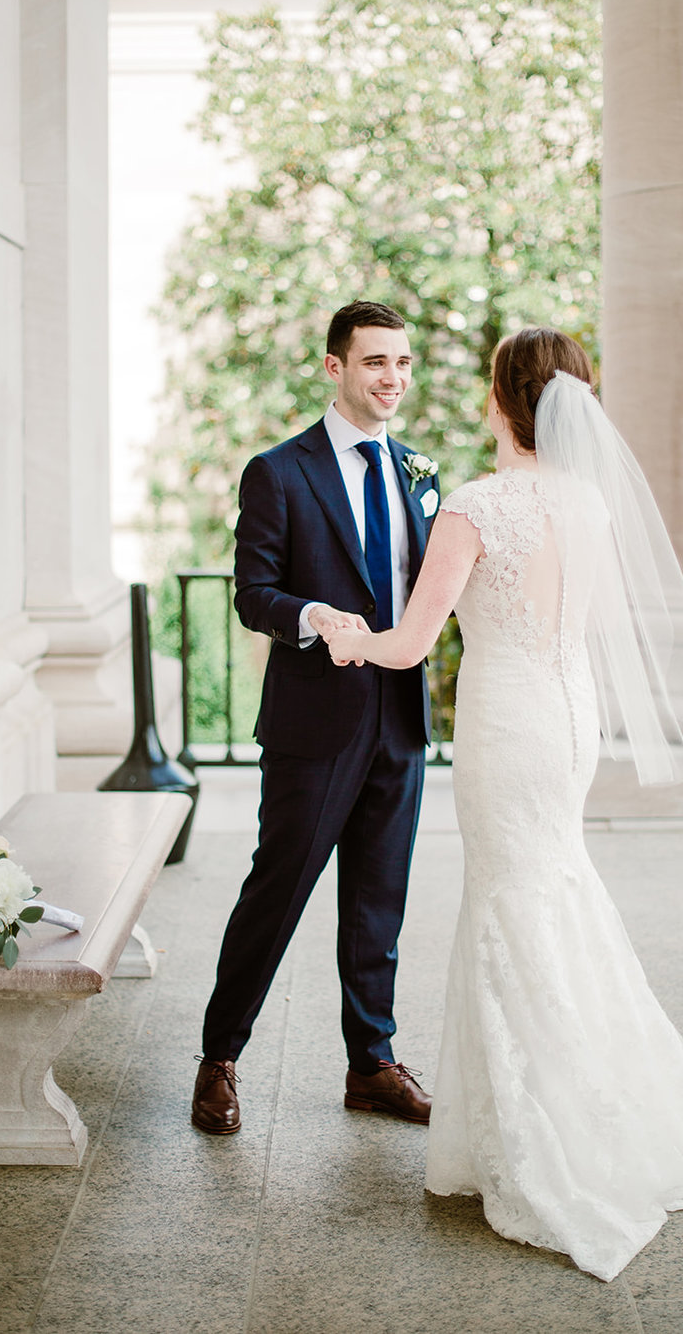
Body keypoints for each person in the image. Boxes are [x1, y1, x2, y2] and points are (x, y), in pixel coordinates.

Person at [327, 326, 683, 1282]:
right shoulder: (592, 504)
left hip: (508, 725)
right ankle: (570, 1105)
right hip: (568, 721)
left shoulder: (473, 507)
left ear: (504, 401)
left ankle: (539, 1137)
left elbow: (408, 643)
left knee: (512, 903)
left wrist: (344, 631)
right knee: (552, 890)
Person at [191, 301, 441, 1135]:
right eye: (376, 362)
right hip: (313, 726)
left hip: (398, 722)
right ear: (335, 368)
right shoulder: (280, 471)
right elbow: (253, 595)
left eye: (402, 364)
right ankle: (218, 1057)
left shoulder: (417, 471)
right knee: (278, 892)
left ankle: (371, 1065)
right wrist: (316, 618)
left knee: (379, 902)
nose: (393, 379)